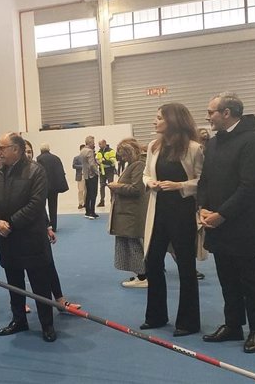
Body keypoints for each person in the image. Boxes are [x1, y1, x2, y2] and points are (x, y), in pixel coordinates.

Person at [198, 92, 255, 353]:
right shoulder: (215, 143)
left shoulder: (252, 142)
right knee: (227, 279)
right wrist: (203, 207)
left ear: (226, 113)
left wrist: (221, 214)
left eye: (211, 112)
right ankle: (233, 325)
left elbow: (249, 187)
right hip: (218, 224)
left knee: (249, 280)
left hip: (243, 227)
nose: (208, 117)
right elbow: (204, 179)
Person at [0, 132, 56, 343]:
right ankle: (19, 320)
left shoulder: (36, 171)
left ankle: (47, 324)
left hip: (31, 239)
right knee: (14, 283)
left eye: (2, 148)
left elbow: (36, 205)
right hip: (6, 240)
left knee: (40, 285)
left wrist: (11, 223)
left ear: (16, 149)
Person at [141, 103, 203, 338]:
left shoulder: (194, 148)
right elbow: (146, 173)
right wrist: (150, 183)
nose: (154, 122)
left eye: (159, 118)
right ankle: (156, 315)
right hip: (158, 213)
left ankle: (188, 322)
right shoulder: (153, 146)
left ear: (173, 120)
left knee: (186, 267)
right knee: (152, 262)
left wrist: (180, 186)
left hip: (183, 214)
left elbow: (202, 180)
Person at [107, 139, 148, 288]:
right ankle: (141, 274)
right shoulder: (134, 165)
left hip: (131, 213)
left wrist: (117, 187)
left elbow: (137, 189)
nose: (122, 158)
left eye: (123, 155)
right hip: (128, 212)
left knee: (134, 244)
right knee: (132, 243)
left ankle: (143, 276)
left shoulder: (138, 165)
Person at [36, 143, 68, 231]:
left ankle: (45, 224)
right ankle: (54, 225)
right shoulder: (56, 158)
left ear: (41, 150)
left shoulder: (39, 159)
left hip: (44, 186)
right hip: (54, 187)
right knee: (53, 206)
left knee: (42, 206)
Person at [80, 136, 99, 219]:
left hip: (86, 175)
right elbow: (92, 164)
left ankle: (87, 211)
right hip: (92, 175)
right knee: (93, 194)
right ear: (90, 143)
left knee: (87, 193)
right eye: (93, 143)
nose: (94, 144)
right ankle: (92, 212)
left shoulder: (82, 151)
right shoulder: (90, 151)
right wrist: (97, 172)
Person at [96, 139, 117, 207]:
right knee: (102, 186)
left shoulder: (111, 151)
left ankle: (112, 201)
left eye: (100, 144)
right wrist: (98, 162)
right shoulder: (99, 152)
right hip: (102, 172)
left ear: (105, 143)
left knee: (111, 186)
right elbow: (97, 160)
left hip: (110, 171)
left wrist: (103, 162)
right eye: (99, 144)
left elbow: (112, 161)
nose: (99, 146)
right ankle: (102, 201)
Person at [72, 144, 86, 209]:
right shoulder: (76, 158)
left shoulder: (88, 157)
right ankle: (80, 203)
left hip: (87, 176)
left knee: (87, 190)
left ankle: (86, 202)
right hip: (80, 176)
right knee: (81, 190)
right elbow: (73, 166)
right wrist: (82, 166)